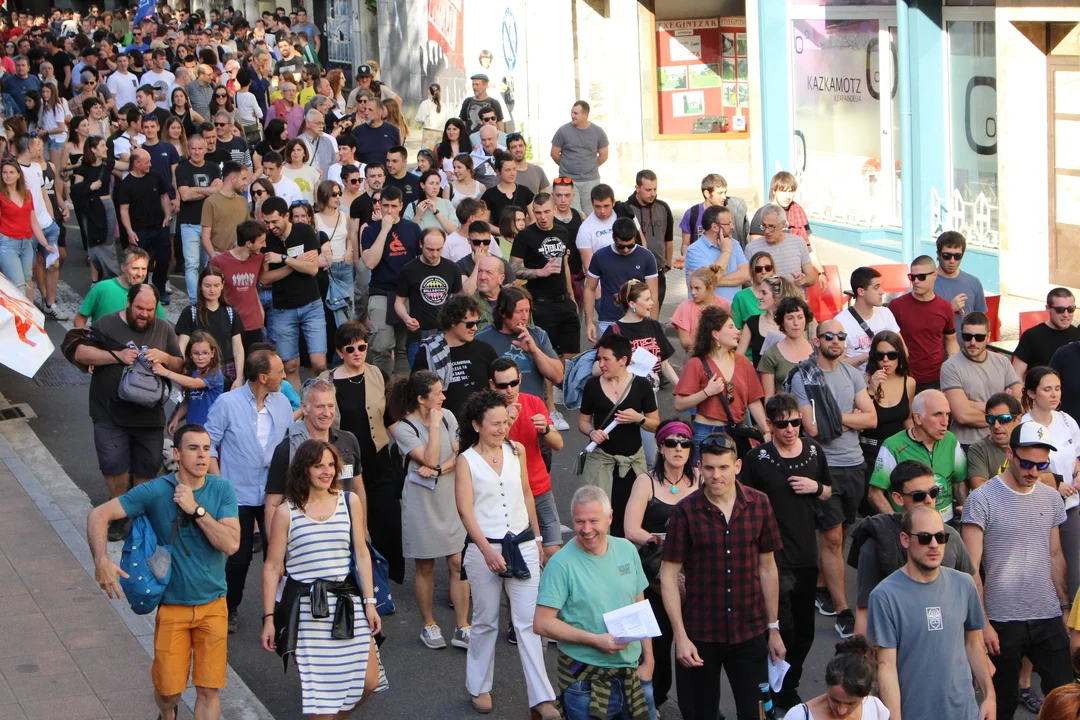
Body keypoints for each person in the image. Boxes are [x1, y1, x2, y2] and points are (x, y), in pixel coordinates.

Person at [88, 423, 240, 720]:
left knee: (208, 690)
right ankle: (167, 713)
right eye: (193, 448)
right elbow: (98, 515)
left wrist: (196, 509)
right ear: (177, 454)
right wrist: (101, 561)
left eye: (206, 449)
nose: (202, 456)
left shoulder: (222, 489)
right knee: (169, 692)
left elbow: (231, 544)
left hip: (213, 605)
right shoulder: (156, 491)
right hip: (172, 607)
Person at [660, 432, 785, 720]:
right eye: (709, 467)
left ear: (737, 466)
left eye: (723, 467)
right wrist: (680, 636)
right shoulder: (685, 512)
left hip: (750, 631)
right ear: (699, 468)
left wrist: (774, 629)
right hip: (700, 634)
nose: (716, 475)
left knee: (756, 714)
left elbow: (768, 568)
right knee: (699, 714)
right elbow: (668, 575)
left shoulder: (760, 504)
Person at [260, 439, 386, 715]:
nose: (327, 471)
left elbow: (362, 554)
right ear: (304, 469)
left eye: (331, 465)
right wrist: (269, 618)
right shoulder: (286, 512)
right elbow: (271, 567)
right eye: (319, 466)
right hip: (307, 613)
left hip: (348, 603)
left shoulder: (349, 501)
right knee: (321, 702)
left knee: (369, 682)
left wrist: (370, 603)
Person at [454, 390, 558, 718]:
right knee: (485, 621)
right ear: (476, 425)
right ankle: (479, 687)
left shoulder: (518, 450)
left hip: (523, 543)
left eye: (505, 422)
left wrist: (537, 538)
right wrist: (486, 551)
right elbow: (465, 510)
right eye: (495, 424)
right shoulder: (465, 460)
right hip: (484, 549)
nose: (502, 429)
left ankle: (541, 698)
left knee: (529, 623)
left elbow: (527, 494)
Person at [963, 421, 1073, 720]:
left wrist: (1064, 608)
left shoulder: (1051, 497)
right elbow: (970, 568)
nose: (1033, 471)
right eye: (1026, 463)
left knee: (1066, 701)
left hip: (1047, 615)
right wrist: (982, 623)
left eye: (1041, 465)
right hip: (1001, 621)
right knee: (1002, 705)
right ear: (1009, 453)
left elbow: (1055, 555)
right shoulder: (982, 499)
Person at [741, 394, 833, 711]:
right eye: (783, 424)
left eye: (795, 422)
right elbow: (743, 500)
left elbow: (829, 489)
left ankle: (788, 685)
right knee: (781, 628)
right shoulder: (757, 458)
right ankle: (770, 686)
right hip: (771, 557)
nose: (791, 429)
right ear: (770, 424)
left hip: (806, 553)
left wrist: (815, 488)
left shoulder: (813, 452)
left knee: (805, 631)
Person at [533, 486, 654, 720]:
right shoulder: (560, 564)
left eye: (593, 521)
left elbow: (639, 605)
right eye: (579, 522)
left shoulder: (627, 550)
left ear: (610, 517)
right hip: (585, 681)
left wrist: (648, 661)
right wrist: (595, 640)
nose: (586, 529)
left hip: (634, 675)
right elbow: (542, 623)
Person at [74, 283, 184, 539]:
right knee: (113, 465)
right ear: (128, 303)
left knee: (147, 468)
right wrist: (117, 356)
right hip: (109, 411)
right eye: (139, 308)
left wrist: (165, 358)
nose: (145, 314)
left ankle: (137, 513)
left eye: (150, 309)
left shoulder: (164, 328)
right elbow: (80, 353)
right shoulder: (107, 324)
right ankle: (118, 511)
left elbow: (180, 364)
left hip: (149, 415)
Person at [790, 319, 876, 638]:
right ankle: (843, 610)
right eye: (829, 336)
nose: (836, 340)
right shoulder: (803, 376)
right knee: (833, 538)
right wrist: (852, 419)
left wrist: (834, 417)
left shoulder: (852, 374)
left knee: (842, 531)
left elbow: (872, 418)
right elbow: (813, 428)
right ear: (817, 341)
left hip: (854, 464)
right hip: (824, 466)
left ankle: (819, 585)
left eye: (841, 336)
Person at [868, 505, 994, 720]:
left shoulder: (964, 584)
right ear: (905, 539)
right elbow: (886, 666)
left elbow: (974, 644)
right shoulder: (884, 595)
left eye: (940, 537)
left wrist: (990, 696)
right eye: (925, 538)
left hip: (964, 713)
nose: (934, 545)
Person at [204, 346, 293, 633]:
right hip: (237, 494)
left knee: (278, 555)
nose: (284, 376)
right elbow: (209, 444)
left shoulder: (282, 403)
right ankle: (229, 607)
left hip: (274, 495)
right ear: (263, 377)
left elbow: (289, 443)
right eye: (279, 372)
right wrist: (220, 483)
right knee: (238, 558)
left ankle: (279, 610)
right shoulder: (227, 403)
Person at [388, 370, 471, 651]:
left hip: (449, 496)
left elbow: (460, 453)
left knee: (458, 562)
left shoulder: (448, 416)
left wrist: (438, 469)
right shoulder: (403, 428)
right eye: (437, 393)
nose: (443, 397)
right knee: (425, 565)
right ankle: (429, 624)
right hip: (421, 501)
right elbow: (430, 456)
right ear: (421, 399)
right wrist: (434, 428)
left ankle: (463, 625)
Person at [850, 460, 975, 638]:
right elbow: (865, 609)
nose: (929, 500)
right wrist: (861, 652)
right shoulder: (876, 543)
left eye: (934, 492)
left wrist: (983, 630)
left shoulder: (952, 536)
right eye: (919, 496)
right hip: (897, 642)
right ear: (898, 498)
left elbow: (972, 589)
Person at [622, 420, 697, 716]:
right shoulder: (646, 482)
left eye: (685, 443)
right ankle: (655, 697)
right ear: (661, 448)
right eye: (671, 443)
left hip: (696, 573)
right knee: (659, 640)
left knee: (697, 641)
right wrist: (666, 540)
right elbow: (631, 529)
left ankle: (697, 705)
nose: (678, 448)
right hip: (656, 573)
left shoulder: (702, 478)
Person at [578, 334, 660, 537]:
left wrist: (638, 418)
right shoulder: (592, 386)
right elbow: (583, 421)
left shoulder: (641, 386)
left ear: (623, 360)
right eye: (599, 359)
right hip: (601, 462)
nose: (601, 364)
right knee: (598, 516)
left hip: (632, 464)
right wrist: (592, 432)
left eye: (606, 359)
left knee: (631, 518)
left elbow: (656, 425)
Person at [263, 378, 365, 537]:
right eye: (319, 407)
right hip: (302, 538)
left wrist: (363, 531)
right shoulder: (286, 449)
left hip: (344, 535)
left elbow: (358, 489)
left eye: (330, 406)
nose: (327, 413)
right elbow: (273, 504)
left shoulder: (348, 441)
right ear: (304, 408)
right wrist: (275, 547)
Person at [489, 358, 564, 564]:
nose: (509, 390)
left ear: (520, 379)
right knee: (519, 556)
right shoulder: (487, 412)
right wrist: (507, 423)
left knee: (552, 550)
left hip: (539, 488)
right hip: (507, 494)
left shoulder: (534, 402)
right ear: (492, 385)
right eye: (503, 385)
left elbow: (558, 444)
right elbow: (488, 452)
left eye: (514, 383)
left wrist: (546, 429)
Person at [674, 306, 769, 457]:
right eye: (731, 327)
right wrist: (706, 392)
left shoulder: (743, 362)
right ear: (715, 334)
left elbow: (754, 401)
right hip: (706, 432)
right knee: (704, 471)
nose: (737, 331)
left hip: (736, 431)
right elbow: (679, 404)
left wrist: (766, 430)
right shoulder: (696, 363)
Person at [259, 195, 328, 386]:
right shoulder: (266, 240)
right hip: (282, 309)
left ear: (286, 216)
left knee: (319, 363)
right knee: (289, 365)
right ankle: (297, 403)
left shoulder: (304, 231)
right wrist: (295, 264)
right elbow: (264, 279)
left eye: (275, 221)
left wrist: (283, 259)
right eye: (267, 222)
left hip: (311, 305)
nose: (271, 226)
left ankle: (317, 397)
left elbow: (312, 269)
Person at [360, 186, 421, 375]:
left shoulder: (412, 228)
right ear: (379, 205)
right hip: (381, 292)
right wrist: (384, 230)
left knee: (404, 348)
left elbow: (421, 261)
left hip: (407, 294)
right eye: (385, 205)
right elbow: (370, 262)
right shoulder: (370, 230)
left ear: (401, 206)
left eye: (394, 206)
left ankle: (401, 388)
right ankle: (382, 387)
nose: (389, 211)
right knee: (382, 347)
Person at [412, 294, 499, 417]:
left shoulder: (485, 350)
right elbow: (416, 391)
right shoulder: (429, 351)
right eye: (469, 324)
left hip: (482, 420)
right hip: (443, 421)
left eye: (477, 322)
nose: (474, 328)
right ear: (453, 322)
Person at [475, 286, 563, 400]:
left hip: (533, 407)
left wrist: (534, 351)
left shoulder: (538, 335)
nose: (525, 317)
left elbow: (558, 376)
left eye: (527, 310)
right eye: (519, 311)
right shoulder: (482, 339)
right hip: (500, 407)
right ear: (503, 312)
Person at [888, 254, 960, 391]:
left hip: (935, 378)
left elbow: (951, 340)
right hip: (904, 377)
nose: (915, 281)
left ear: (934, 275)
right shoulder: (897, 305)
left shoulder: (945, 307)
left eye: (921, 277)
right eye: (912, 277)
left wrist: (953, 358)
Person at [584, 218, 659, 343]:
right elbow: (589, 289)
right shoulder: (600, 256)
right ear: (613, 238)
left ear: (635, 238)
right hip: (609, 320)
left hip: (638, 319)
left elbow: (653, 293)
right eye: (621, 246)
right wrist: (589, 322)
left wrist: (653, 324)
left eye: (630, 245)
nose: (626, 250)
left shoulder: (646, 257)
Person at [395, 227, 463, 364]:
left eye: (439, 249)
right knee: (420, 374)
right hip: (419, 335)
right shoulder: (409, 270)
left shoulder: (452, 268)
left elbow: (459, 301)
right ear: (421, 245)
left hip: (446, 333)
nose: (435, 254)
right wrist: (407, 318)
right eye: (430, 249)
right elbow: (399, 302)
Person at [782, 636, 889, 720]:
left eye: (851, 703)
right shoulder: (798, 716)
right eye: (834, 700)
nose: (841, 711)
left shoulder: (876, 710)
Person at [859, 330, 916, 483]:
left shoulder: (909, 382)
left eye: (892, 355)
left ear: (899, 356)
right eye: (880, 355)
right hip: (869, 451)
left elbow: (908, 419)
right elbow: (859, 420)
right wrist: (871, 389)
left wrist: (916, 445)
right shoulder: (862, 380)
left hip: (899, 451)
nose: (886, 360)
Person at [175, 266, 245, 388]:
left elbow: (238, 347)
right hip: (198, 369)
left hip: (226, 371)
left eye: (216, 285)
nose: (212, 290)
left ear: (223, 285)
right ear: (200, 286)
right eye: (207, 286)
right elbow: (182, 345)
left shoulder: (231, 313)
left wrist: (239, 377)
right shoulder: (190, 312)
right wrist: (182, 372)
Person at [117, 149, 172, 301]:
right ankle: (142, 292)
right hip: (139, 231)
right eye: (147, 162)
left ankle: (160, 289)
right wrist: (129, 231)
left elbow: (164, 197)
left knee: (164, 258)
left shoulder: (155, 177)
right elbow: (124, 210)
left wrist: (168, 216)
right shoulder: (126, 184)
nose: (150, 164)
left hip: (159, 227)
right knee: (141, 263)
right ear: (136, 163)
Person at [175, 134, 222, 304]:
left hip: (210, 224)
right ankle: (195, 302)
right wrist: (209, 189)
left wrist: (195, 189)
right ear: (188, 150)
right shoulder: (182, 169)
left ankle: (207, 298)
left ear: (205, 149)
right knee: (192, 264)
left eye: (200, 148)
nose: (196, 152)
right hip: (189, 223)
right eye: (193, 148)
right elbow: (185, 196)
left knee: (208, 264)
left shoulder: (214, 168)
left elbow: (219, 191)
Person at [0, 160, 55, 305]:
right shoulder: (1, 195)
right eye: (4, 172)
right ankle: (24, 316)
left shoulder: (27, 194)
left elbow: (33, 222)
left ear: (19, 174)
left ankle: (25, 315)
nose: (8, 175)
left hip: (26, 244)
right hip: (8, 245)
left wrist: (45, 244)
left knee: (27, 281)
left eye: (11, 172)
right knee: (19, 286)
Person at [210, 220, 269, 351]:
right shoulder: (219, 262)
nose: (264, 245)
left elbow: (257, 284)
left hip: (253, 323)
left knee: (254, 361)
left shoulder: (259, 258)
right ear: (248, 243)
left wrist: (260, 310)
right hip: (229, 324)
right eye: (261, 242)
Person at [75, 248, 167, 327]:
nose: (140, 274)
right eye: (135, 268)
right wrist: (87, 340)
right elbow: (79, 320)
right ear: (123, 267)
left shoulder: (149, 293)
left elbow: (163, 326)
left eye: (144, 269)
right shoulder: (101, 288)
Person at [622, 170, 674, 306]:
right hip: (634, 273)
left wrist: (668, 264)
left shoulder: (663, 207)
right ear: (637, 188)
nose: (653, 194)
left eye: (655, 189)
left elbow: (668, 238)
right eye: (648, 190)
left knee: (654, 309)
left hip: (658, 270)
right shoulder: (626, 209)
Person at [684, 204, 750, 310]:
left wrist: (714, 281)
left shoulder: (734, 243)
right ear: (715, 227)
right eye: (728, 223)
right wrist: (726, 251)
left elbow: (746, 274)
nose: (732, 227)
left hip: (734, 312)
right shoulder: (694, 251)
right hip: (708, 313)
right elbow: (706, 281)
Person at [550, 101, 608, 214]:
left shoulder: (598, 132)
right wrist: (568, 166)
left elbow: (604, 155)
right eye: (572, 112)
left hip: (591, 181)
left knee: (591, 212)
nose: (572, 115)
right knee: (573, 213)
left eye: (576, 113)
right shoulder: (563, 131)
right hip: (568, 181)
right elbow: (554, 153)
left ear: (585, 115)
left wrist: (589, 167)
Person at [837, 267, 900, 370]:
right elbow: (836, 365)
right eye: (876, 287)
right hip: (859, 378)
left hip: (888, 376)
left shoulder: (885, 312)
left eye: (881, 286)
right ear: (861, 291)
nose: (882, 291)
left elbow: (903, 350)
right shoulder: (841, 323)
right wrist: (867, 356)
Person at [743, 204, 818, 289]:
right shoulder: (752, 248)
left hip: (793, 296)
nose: (767, 231)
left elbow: (811, 278)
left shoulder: (798, 243)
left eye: (771, 226)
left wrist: (804, 280)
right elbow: (746, 281)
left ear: (783, 224)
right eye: (764, 226)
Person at [163, 331, 226, 430]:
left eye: (205, 353)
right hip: (192, 426)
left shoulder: (215, 372)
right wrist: (176, 418)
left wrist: (166, 372)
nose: (200, 357)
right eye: (196, 353)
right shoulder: (190, 372)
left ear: (212, 353)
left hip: (211, 427)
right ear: (190, 355)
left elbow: (193, 383)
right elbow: (188, 399)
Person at [757, 296, 815, 402]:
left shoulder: (817, 350)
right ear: (782, 322)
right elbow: (769, 397)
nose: (796, 323)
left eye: (800, 317)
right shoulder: (771, 354)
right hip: (786, 409)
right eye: (790, 318)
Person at [1014, 287, 1080, 377]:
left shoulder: (1077, 334)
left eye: (1070, 309)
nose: (1066, 314)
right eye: (1060, 310)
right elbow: (1016, 375)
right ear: (1048, 308)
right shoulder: (1031, 336)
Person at [677, 173, 750, 252]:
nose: (724, 197)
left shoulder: (731, 210)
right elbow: (685, 244)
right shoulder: (691, 214)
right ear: (707, 194)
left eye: (725, 192)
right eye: (720, 193)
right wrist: (687, 257)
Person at [967, 392, 1022, 491]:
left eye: (1003, 419)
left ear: (1018, 419)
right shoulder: (978, 449)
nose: (996, 426)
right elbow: (979, 488)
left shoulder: (1028, 445)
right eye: (991, 419)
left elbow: (1048, 482)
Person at [200, 160, 251, 258]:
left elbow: (248, 231)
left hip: (240, 256)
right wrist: (214, 258)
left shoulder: (243, 201)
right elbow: (205, 236)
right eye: (243, 178)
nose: (246, 183)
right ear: (233, 178)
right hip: (219, 255)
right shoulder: (211, 202)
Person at [934, 231, 987, 323]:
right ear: (938, 254)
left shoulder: (974, 282)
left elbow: (981, 321)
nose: (952, 260)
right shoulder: (926, 282)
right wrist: (950, 309)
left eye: (957, 256)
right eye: (947, 256)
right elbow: (923, 322)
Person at [672, 267, 723, 352]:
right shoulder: (685, 307)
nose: (693, 292)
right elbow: (685, 342)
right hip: (696, 353)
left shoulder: (724, 304)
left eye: (697, 288)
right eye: (691, 288)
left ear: (711, 288)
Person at [732, 251, 776, 332]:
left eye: (768, 268)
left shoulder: (781, 293)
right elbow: (737, 329)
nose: (764, 272)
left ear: (773, 269)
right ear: (752, 271)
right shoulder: (741, 297)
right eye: (758, 269)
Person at [403, 169, 457, 233]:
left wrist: (436, 212)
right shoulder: (413, 206)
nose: (435, 187)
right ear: (422, 185)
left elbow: (454, 231)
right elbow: (407, 232)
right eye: (431, 183)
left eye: (437, 183)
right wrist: (418, 216)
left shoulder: (447, 203)